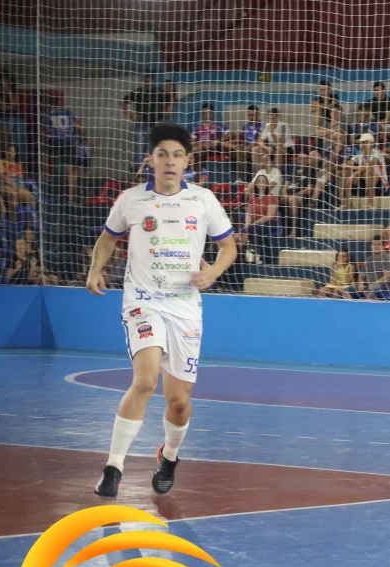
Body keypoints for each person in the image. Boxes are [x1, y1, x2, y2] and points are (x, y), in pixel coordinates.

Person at [86, 123, 237, 497]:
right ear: (150, 160)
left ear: (187, 162)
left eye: (177, 155)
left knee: (179, 402)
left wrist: (214, 271)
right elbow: (107, 238)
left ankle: (169, 456)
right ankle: (113, 468)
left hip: (185, 309)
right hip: (144, 301)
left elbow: (228, 247)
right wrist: (95, 268)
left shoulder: (203, 200)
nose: (170, 161)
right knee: (145, 380)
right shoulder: (131, 200)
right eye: (163, 154)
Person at [44, 100, 91, 201]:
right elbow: (79, 127)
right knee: (71, 167)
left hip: (53, 139)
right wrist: (84, 136)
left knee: (45, 154)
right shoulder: (68, 112)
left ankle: (45, 177)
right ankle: (70, 196)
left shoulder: (49, 113)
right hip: (67, 141)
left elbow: (45, 128)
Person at [121, 74, 166, 164]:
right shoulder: (138, 92)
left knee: (155, 148)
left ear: (153, 82)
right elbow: (123, 102)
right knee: (139, 149)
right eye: (147, 81)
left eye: (150, 81)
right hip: (141, 123)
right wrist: (130, 114)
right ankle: (138, 169)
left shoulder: (159, 92)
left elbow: (170, 101)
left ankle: (153, 168)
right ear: (144, 82)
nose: (148, 83)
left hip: (156, 124)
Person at [342, 133, 388, 209]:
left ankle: (370, 203)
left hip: (379, 186)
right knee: (346, 172)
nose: (364, 145)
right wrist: (349, 165)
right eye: (363, 143)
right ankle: (348, 203)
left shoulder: (377, 154)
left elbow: (370, 164)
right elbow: (346, 164)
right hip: (364, 185)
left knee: (368, 171)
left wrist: (354, 172)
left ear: (372, 143)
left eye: (367, 142)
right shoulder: (360, 155)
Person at [358, 235, 390, 299]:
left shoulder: (388, 258)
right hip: (368, 285)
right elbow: (362, 275)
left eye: (379, 244)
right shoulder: (368, 260)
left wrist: (372, 285)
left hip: (384, 286)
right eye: (374, 244)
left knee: (370, 293)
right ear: (371, 246)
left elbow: (387, 277)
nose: (376, 246)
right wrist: (361, 284)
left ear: (383, 246)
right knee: (346, 291)